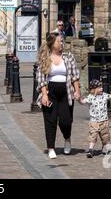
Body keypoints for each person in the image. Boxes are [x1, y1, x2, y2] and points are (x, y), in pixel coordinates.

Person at [36, 31, 81, 159]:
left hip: (66, 91)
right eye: (59, 41)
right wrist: (44, 94)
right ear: (52, 44)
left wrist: (77, 91)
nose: (61, 43)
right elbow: (41, 78)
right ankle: (51, 147)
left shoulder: (68, 56)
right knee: (50, 120)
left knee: (66, 121)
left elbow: (74, 76)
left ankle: (67, 139)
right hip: (50, 91)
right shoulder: (45, 57)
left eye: (62, 41)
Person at [77, 79, 111, 158]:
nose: (102, 88)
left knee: (105, 136)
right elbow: (82, 102)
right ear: (94, 89)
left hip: (104, 121)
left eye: (101, 87)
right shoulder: (90, 97)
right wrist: (78, 99)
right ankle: (90, 149)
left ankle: (104, 147)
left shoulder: (104, 95)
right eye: (99, 87)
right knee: (93, 135)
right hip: (94, 121)